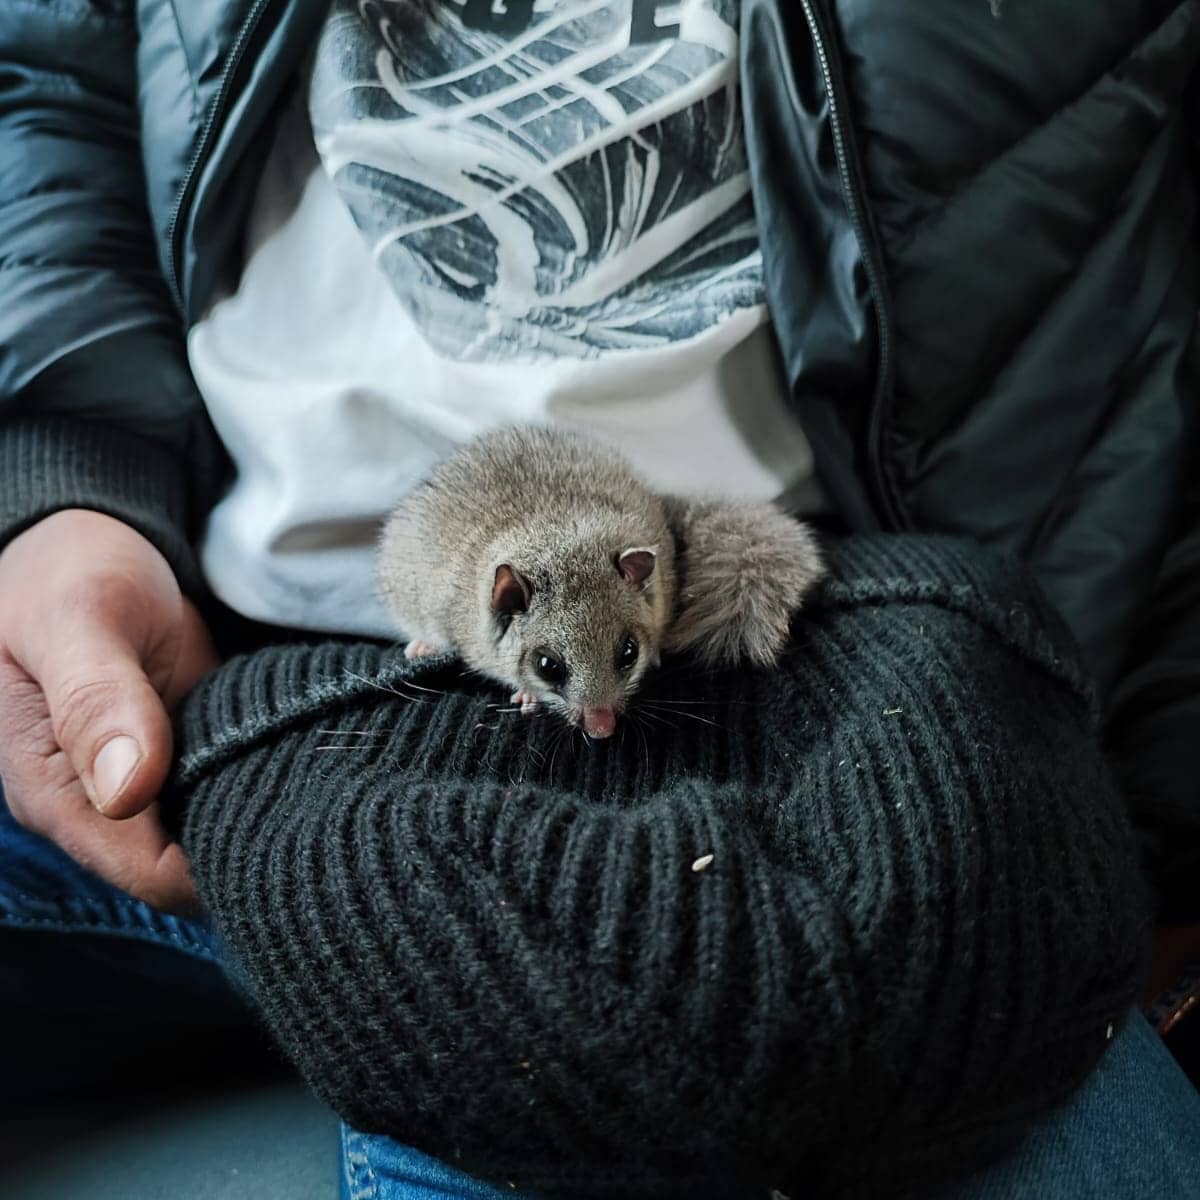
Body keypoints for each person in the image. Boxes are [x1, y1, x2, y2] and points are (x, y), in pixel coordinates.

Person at [2, 1, 1199, 1196]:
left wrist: (1161, 811)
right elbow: (45, 75)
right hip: (231, 628)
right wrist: (64, 489)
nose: (600, 712)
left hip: (852, 634)